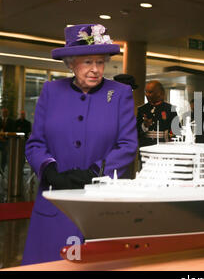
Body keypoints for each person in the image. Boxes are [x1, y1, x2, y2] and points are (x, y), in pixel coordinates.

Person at [22, 24, 138, 265]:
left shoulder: (120, 93)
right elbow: (35, 143)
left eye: (100, 62)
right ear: (71, 63)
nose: (95, 69)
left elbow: (127, 145)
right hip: (54, 206)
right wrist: (50, 170)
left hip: (101, 207)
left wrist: (96, 172)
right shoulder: (51, 91)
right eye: (87, 62)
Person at [136, 80, 179, 148]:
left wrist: (170, 142)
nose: (147, 95)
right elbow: (135, 132)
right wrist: (145, 125)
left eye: (150, 92)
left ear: (159, 93)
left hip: (165, 147)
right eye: (146, 92)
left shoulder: (170, 109)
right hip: (146, 147)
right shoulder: (142, 109)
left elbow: (177, 130)